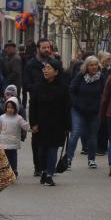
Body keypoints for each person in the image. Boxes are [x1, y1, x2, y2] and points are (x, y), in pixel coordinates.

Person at [29, 50, 72, 187]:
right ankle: (43, 170)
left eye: (49, 68)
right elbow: (33, 106)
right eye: (45, 68)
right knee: (42, 150)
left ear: (56, 72)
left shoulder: (64, 88)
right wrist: (33, 123)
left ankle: (49, 174)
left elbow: (67, 108)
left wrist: (67, 125)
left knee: (53, 149)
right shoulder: (38, 86)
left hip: (57, 124)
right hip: (41, 124)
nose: (46, 71)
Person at [25, 39, 64, 176]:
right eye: (44, 47)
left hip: (54, 111)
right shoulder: (31, 64)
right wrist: (37, 88)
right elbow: (26, 83)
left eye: (48, 47)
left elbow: (63, 83)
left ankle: (48, 169)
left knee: (52, 143)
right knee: (38, 142)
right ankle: (39, 166)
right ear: (38, 49)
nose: (47, 49)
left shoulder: (56, 64)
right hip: (38, 103)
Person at [65, 55, 104, 170]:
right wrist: (75, 102)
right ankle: (68, 159)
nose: (94, 67)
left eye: (95, 65)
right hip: (79, 110)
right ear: (86, 66)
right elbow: (71, 90)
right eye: (91, 65)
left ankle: (91, 159)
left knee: (92, 136)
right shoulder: (80, 76)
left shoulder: (101, 78)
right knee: (75, 133)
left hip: (95, 111)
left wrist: (101, 105)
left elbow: (105, 92)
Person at [0, 96, 30, 176]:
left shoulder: (18, 118)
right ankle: (5, 171)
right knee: (4, 158)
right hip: (3, 142)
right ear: (5, 107)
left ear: (16, 108)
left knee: (13, 158)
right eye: (8, 107)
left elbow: (25, 125)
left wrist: (31, 129)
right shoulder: (2, 118)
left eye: (12, 108)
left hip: (13, 143)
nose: (10, 109)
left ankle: (14, 170)